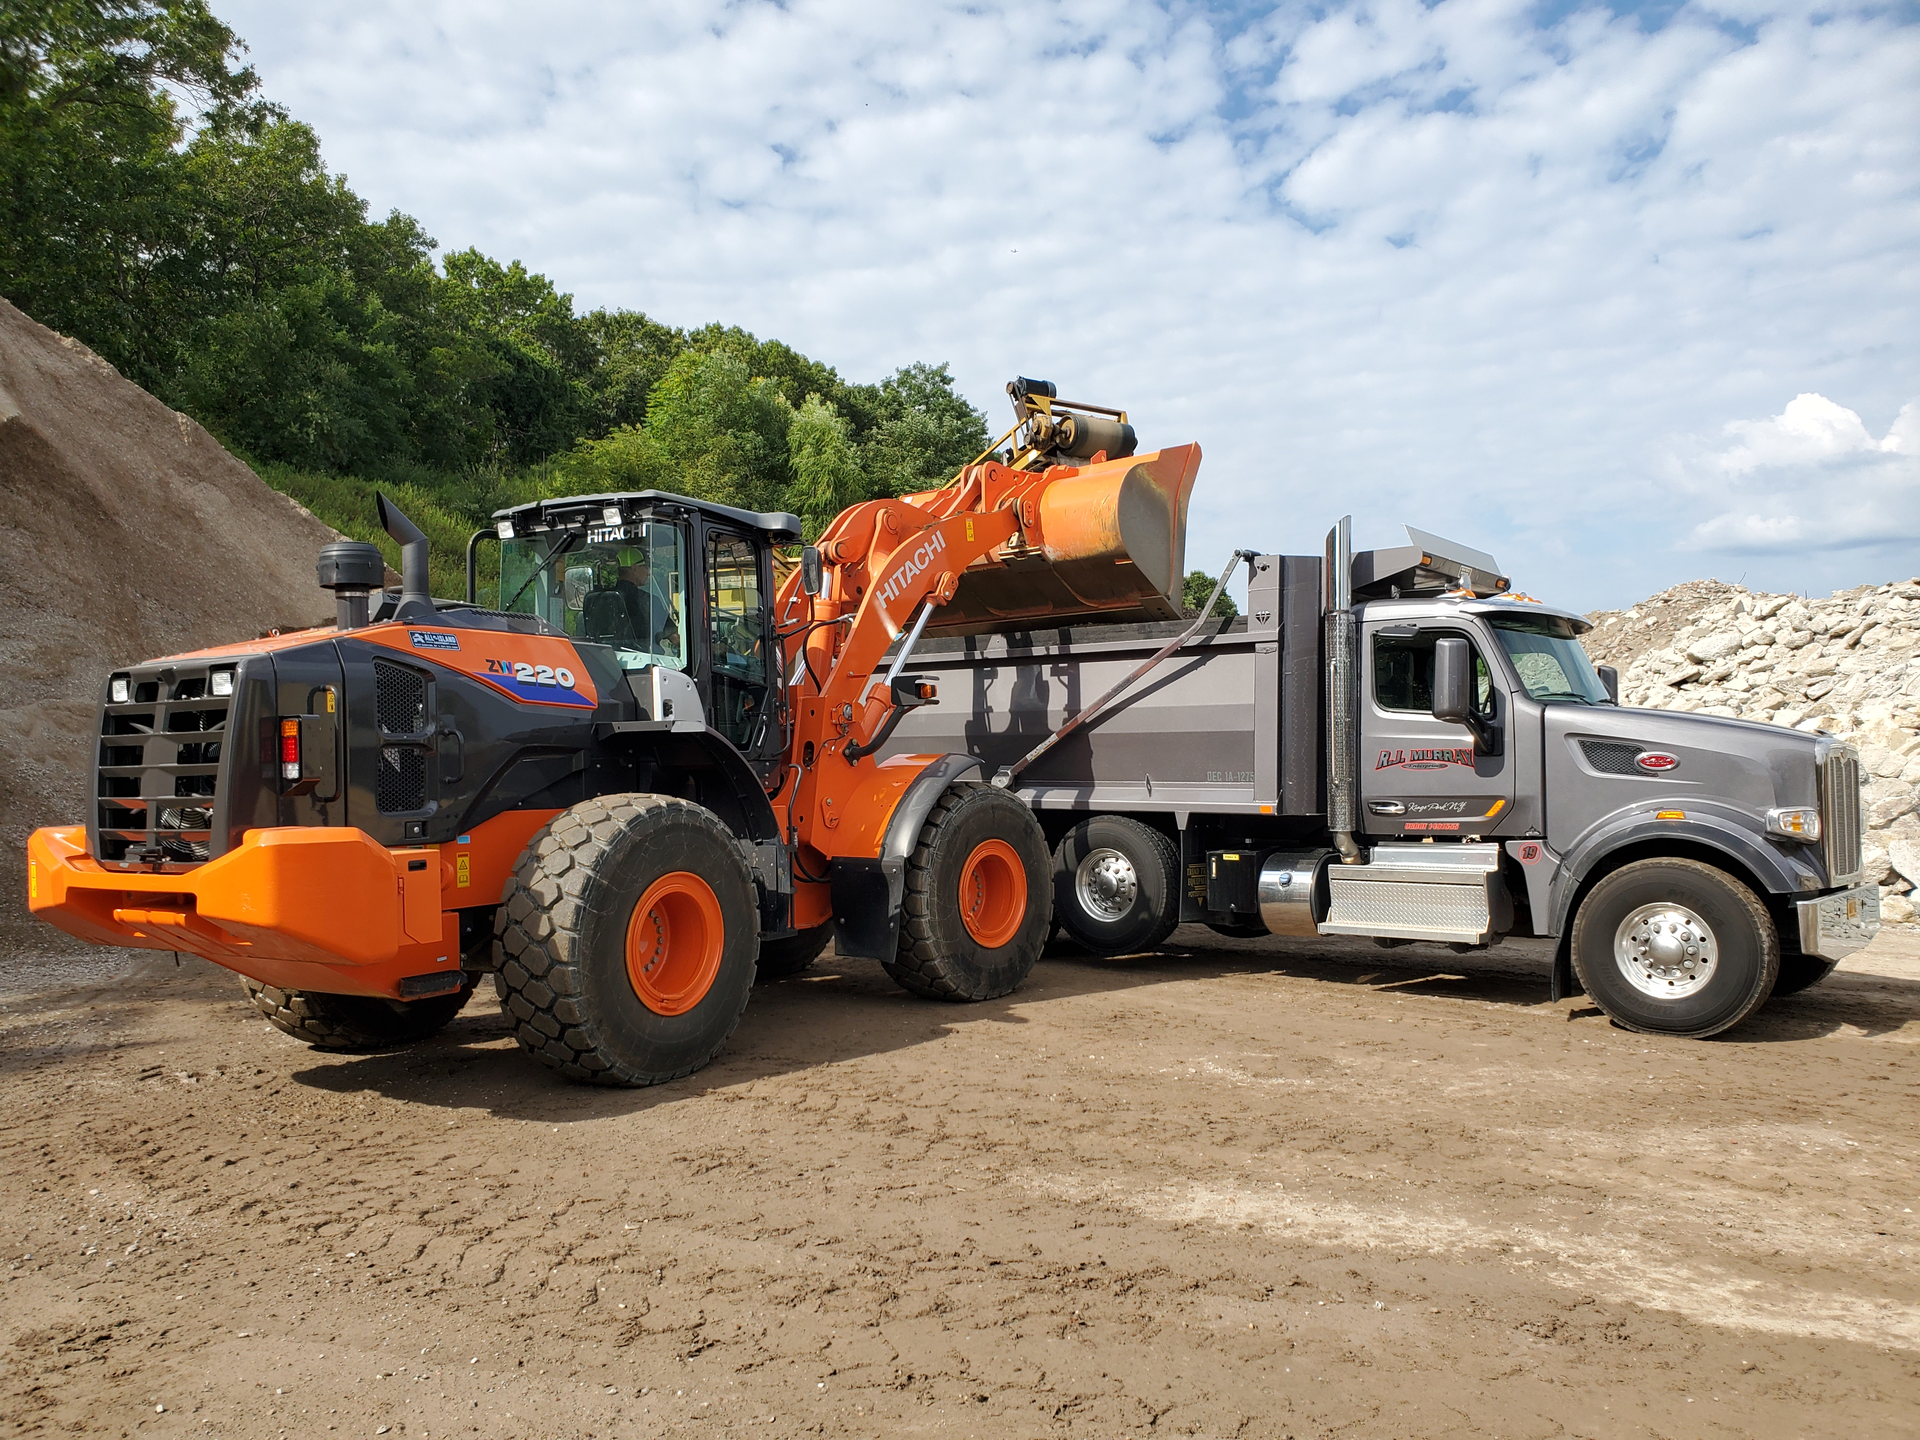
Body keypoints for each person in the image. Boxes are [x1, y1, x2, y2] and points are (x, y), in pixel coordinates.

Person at [614, 547, 677, 653]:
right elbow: (675, 638)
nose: (648, 572)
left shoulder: (599, 600)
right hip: (645, 663)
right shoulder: (648, 601)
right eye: (645, 566)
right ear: (634, 568)